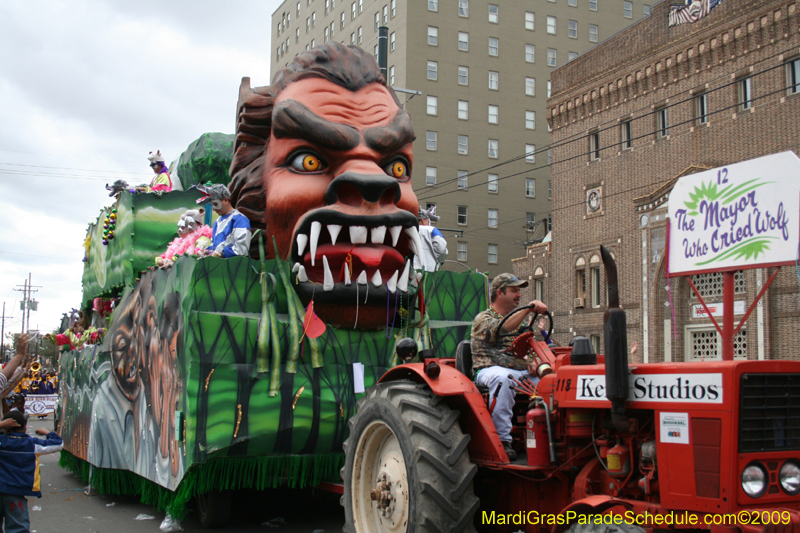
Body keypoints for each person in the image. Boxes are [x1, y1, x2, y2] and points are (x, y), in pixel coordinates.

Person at [470, 273, 548, 461]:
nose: (519, 295)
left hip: (517, 371)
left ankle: (547, 435)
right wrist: (529, 309)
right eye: (514, 291)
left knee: (548, 382)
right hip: (488, 370)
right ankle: (502, 439)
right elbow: (501, 328)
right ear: (500, 293)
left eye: (519, 291)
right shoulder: (483, 319)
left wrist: (534, 361)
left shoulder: (519, 324)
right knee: (503, 379)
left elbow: (527, 347)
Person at [0, 410, 63, 533]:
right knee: (18, 528)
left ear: (5, 429)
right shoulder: (31, 444)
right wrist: (47, 432)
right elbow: (59, 444)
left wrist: (1, 425)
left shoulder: (2, 442)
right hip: (16, 493)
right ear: (25, 427)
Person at [197, 184, 252, 258]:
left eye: (215, 204)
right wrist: (206, 251)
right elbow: (216, 247)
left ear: (226, 200)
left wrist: (219, 254)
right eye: (212, 205)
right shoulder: (217, 222)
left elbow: (242, 250)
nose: (213, 209)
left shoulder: (240, 220)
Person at [413, 207, 448, 272]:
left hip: (410, 269)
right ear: (423, 220)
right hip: (428, 270)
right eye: (428, 221)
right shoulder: (432, 230)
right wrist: (439, 260)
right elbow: (441, 249)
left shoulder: (407, 229)